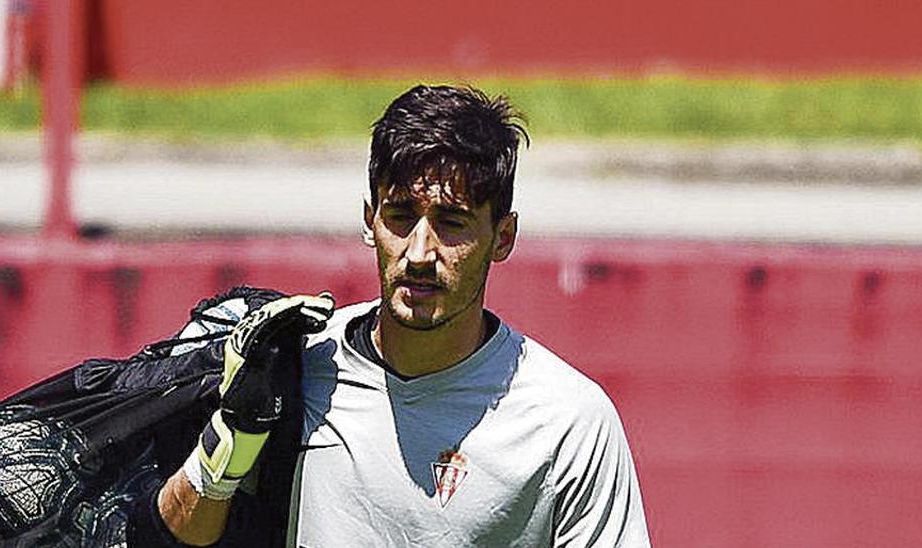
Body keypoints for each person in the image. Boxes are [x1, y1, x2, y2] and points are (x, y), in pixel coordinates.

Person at [156, 84, 650, 546]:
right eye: (399, 217)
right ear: (370, 221)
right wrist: (225, 449)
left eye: (451, 223)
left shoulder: (568, 420)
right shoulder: (292, 364)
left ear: (502, 237)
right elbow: (171, 535)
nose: (418, 252)